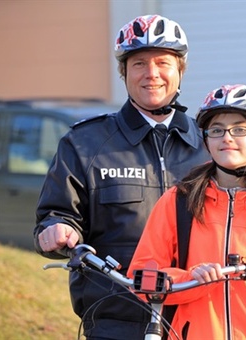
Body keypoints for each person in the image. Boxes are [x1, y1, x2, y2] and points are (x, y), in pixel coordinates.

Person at [33, 15, 210, 339]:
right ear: (124, 72)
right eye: (139, 63)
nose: (152, 74)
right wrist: (55, 229)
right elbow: (56, 215)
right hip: (115, 320)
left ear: (180, 70)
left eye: (163, 63)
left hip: (198, 319)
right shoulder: (85, 142)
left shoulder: (210, 142)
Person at [128, 84, 246, 339]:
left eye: (240, 129)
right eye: (217, 130)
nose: (227, 137)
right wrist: (192, 279)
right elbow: (141, 279)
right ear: (207, 141)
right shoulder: (177, 202)